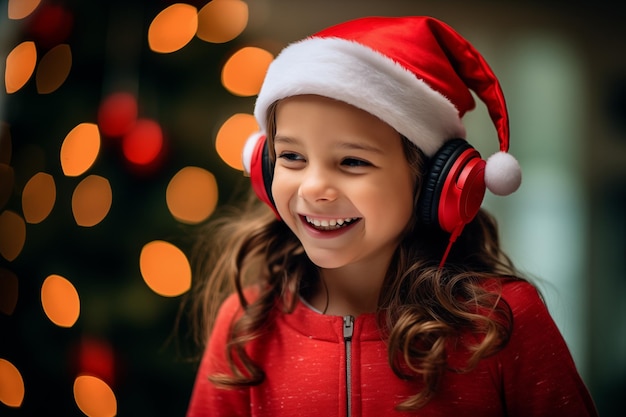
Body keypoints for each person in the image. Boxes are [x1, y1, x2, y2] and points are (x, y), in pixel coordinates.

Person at [185, 16, 598, 416]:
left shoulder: (500, 322)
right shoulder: (245, 327)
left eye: (352, 162)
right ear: (264, 166)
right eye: (291, 157)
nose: (312, 188)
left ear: (435, 184)